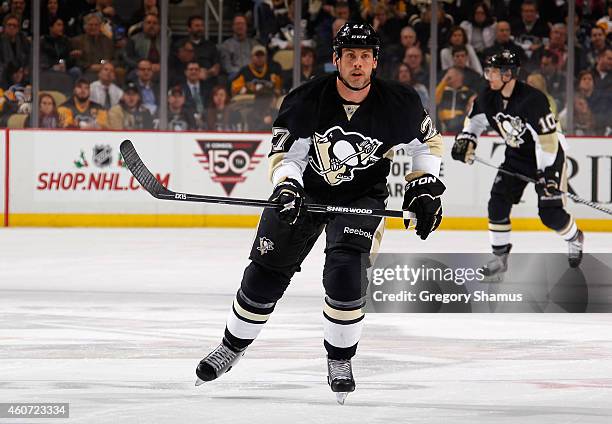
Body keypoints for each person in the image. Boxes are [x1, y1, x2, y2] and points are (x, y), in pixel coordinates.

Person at [195, 22, 444, 404]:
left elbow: (426, 144)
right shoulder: (307, 98)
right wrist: (288, 185)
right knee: (264, 274)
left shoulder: (399, 102)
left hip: (361, 196)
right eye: (350, 56)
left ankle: (340, 359)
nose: (357, 64)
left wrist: (423, 188)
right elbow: (285, 154)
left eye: (364, 56)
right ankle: (231, 347)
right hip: (305, 193)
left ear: (375, 61)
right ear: (336, 60)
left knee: (346, 274)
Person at [451, 50, 584, 274]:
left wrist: (547, 174)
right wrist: (466, 139)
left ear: (508, 74)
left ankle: (575, 236)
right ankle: (500, 259)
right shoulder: (487, 97)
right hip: (516, 157)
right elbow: (475, 120)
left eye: (494, 72)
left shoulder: (533, 100)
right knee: (497, 203)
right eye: (489, 71)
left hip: (548, 157)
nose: (489, 76)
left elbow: (548, 141)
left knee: (550, 215)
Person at [219, 15, 260, 80]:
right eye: (237, 24)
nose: (240, 26)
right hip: (234, 77)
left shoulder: (254, 44)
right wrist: (243, 73)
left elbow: (259, 63)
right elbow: (227, 67)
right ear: (233, 27)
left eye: (242, 24)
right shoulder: (226, 45)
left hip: (253, 76)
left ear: (246, 26)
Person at [435, 66, 475, 133]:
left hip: (460, 125)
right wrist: (443, 82)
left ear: (459, 76)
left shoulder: (467, 92)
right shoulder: (443, 90)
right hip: (442, 125)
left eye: (450, 74)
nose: (448, 76)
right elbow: (434, 101)